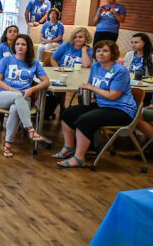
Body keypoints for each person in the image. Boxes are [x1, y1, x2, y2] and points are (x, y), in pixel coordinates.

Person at [55, 40, 137, 168]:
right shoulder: (95, 66)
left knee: (85, 120)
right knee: (68, 113)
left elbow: (113, 95)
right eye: (98, 51)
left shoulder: (120, 71)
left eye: (105, 51)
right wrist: (84, 88)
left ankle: (79, 157)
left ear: (113, 53)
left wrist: (91, 88)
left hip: (121, 110)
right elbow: (90, 86)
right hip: (102, 105)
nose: (101, 53)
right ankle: (69, 147)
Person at [0, 34, 49, 157]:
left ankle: (7, 145)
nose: (20, 46)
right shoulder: (6, 60)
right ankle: (31, 130)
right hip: (2, 95)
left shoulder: (34, 63)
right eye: (17, 44)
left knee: (14, 109)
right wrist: (13, 90)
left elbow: (46, 82)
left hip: (24, 98)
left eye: (23, 44)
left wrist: (32, 89)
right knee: (18, 96)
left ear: (28, 47)